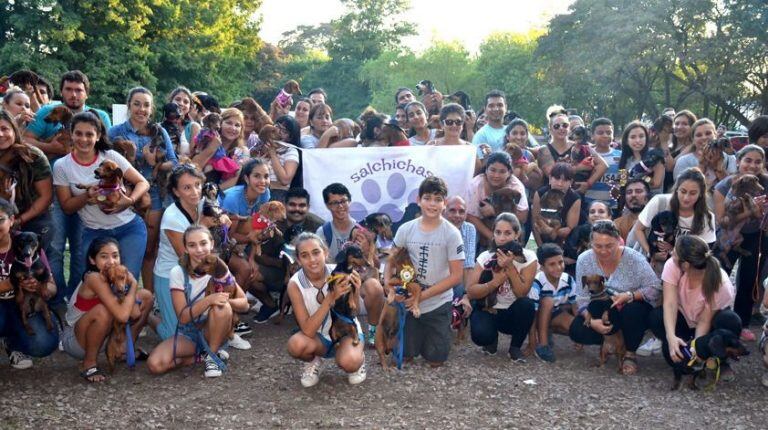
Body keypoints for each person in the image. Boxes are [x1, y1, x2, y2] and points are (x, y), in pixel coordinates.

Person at [25, 71, 112, 306]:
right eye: (69, 89)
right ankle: (55, 300)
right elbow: (25, 140)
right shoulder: (47, 113)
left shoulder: (99, 115)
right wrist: (50, 147)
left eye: (79, 90)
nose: (74, 94)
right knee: (54, 246)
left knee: (81, 246)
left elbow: (106, 151)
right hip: (54, 187)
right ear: (61, 91)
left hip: (89, 190)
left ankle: (77, 296)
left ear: (87, 92)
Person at [53, 111, 149, 287]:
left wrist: (130, 200)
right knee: (96, 286)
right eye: (79, 133)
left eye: (89, 134)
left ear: (97, 136)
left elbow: (143, 182)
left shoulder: (110, 156)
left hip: (129, 228)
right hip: (94, 231)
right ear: (71, 134)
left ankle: (126, 315)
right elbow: (67, 207)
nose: (84, 139)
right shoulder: (62, 166)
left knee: (126, 283)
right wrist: (87, 195)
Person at [147, 226, 249, 378]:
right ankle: (201, 356)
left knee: (221, 307)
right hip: (189, 333)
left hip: (214, 329)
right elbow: (183, 317)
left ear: (212, 244)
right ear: (186, 248)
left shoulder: (220, 268)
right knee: (155, 365)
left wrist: (223, 301)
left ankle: (213, 356)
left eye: (203, 243)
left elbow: (244, 304)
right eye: (192, 245)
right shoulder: (178, 272)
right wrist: (209, 300)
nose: (199, 249)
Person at [384, 176, 464, 367]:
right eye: (427, 198)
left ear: (444, 204)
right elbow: (391, 260)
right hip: (409, 301)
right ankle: (409, 334)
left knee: (436, 359)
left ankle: (443, 328)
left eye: (438, 199)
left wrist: (422, 296)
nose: (432, 204)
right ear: (418, 200)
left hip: (438, 303)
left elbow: (456, 276)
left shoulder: (452, 234)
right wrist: (388, 284)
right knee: (404, 356)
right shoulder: (405, 229)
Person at [109, 87, 178, 293]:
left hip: (154, 193)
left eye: (146, 105)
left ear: (152, 108)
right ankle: (119, 292)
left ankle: (148, 296)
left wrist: (155, 162)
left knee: (149, 249)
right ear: (129, 105)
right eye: (137, 104)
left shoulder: (159, 131)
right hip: (124, 192)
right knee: (122, 247)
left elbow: (174, 162)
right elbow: (105, 162)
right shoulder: (116, 132)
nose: (141, 109)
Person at [569, 221, 661, 375]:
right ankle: (613, 341)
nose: (604, 251)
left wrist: (630, 295)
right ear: (590, 243)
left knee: (633, 311)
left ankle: (630, 352)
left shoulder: (634, 258)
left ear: (619, 241)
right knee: (577, 331)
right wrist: (591, 321)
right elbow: (582, 297)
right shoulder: (584, 259)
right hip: (603, 309)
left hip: (630, 307)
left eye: (609, 245)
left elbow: (655, 288)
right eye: (598, 246)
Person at [648, 235, 741, 382]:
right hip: (684, 318)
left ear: (685, 264)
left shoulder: (721, 282)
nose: (672, 254)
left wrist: (697, 348)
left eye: (675, 252)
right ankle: (684, 348)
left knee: (730, 321)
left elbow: (705, 320)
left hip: (709, 325)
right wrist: (671, 337)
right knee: (656, 317)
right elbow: (670, 303)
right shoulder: (672, 266)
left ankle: (721, 361)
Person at [62, 237, 153, 382]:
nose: (111, 261)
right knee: (103, 311)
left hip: (102, 336)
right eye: (104, 256)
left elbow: (134, 313)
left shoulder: (114, 276)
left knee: (146, 296)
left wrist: (129, 292)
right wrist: (134, 284)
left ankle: (122, 349)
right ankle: (89, 364)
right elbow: (123, 316)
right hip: (76, 340)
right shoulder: (94, 278)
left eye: (115, 256)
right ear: (92, 260)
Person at [286, 232, 366, 387]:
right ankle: (314, 360)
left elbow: (354, 312)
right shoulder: (295, 284)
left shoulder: (340, 273)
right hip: (318, 337)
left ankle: (356, 358)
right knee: (295, 345)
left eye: (316, 252)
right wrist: (330, 298)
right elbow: (308, 331)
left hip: (346, 330)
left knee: (350, 362)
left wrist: (356, 291)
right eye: (305, 255)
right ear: (298, 260)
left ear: (326, 252)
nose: (312, 260)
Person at [713, 145, 768, 341]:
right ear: (738, 161)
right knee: (719, 277)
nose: (752, 165)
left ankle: (742, 323)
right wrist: (750, 212)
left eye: (757, 161)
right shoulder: (724, 186)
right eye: (748, 160)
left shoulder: (765, 183)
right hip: (727, 237)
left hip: (755, 236)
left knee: (748, 279)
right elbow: (722, 220)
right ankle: (714, 319)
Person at [466, 213, 537, 362]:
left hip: (512, 312)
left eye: (508, 233)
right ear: (493, 234)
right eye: (498, 233)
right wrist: (494, 282)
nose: (502, 238)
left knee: (527, 305)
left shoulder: (528, 258)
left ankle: (515, 347)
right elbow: (470, 291)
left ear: (517, 234)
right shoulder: (485, 257)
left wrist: (510, 267)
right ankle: (491, 340)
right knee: (481, 336)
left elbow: (521, 293)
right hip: (489, 309)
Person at [0, 199, 59, 370]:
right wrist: (13, 284)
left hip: (26, 304)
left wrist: (40, 287)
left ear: (12, 220)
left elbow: (52, 287)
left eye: (0, 219)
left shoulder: (28, 242)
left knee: (43, 344)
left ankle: (12, 342)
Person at [221, 159, 273, 323]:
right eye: (257, 176)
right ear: (246, 178)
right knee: (244, 269)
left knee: (254, 269)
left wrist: (252, 256)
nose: (263, 181)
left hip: (244, 242)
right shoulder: (232, 198)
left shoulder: (264, 194)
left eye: (266, 176)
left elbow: (258, 228)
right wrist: (247, 250)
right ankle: (229, 317)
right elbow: (228, 236)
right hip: (219, 240)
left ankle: (269, 304)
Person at [632, 168, 716, 267]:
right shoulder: (660, 202)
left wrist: (673, 251)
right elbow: (638, 229)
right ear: (676, 189)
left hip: (682, 268)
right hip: (649, 265)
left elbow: (703, 251)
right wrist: (651, 253)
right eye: (683, 191)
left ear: (701, 194)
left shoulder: (706, 217)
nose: (686, 198)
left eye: (693, 193)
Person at [0, 111, 54, 256]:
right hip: (2, 219)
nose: (0, 134)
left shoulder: (33, 155)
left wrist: (18, 221)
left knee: (38, 262)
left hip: (33, 217)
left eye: (4, 129)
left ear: (14, 129)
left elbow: (46, 197)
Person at [466, 152, 529, 248]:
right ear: (486, 170)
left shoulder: (515, 186)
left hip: (510, 227)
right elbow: (470, 216)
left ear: (509, 173)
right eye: (492, 170)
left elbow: (523, 216)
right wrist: (492, 237)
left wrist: (495, 211)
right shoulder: (476, 184)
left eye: (502, 171)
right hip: (483, 227)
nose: (496, 175)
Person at [527, 243, 576, 363]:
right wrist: (531, 341)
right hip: (537, 315)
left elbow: (575, 305)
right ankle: (542, 344)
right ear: (542, 267)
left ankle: (548, 331)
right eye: (552, 264)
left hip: (555, 313)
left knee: (576, 328)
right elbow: (532, 315)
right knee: (548, 300)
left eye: (560, 262)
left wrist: (578, 337)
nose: (558, 267)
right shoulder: (537, 282)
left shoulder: (568, 280)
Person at [537, 112, 608, 195]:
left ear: (569, 128)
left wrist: (588, 184)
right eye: (556, 126)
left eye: (565, 125)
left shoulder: (581, 146)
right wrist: (580, 167)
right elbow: (555, 175)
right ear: (550, 129)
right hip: (553, 197)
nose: (561, 128)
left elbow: (603, 165)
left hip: (577, 196)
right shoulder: (544, 150)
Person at [193, 108, 249, 189]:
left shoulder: (241, 151)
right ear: (219, 124)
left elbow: (235, 179)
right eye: (229, 123)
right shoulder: (206, 139)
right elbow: (193, 167)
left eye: (237, 125)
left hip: (220, 195)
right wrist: (212, 147)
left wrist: (212, 193)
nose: (233, 128)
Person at [531, 162, 582, 246]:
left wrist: (550, 231)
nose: (560, 184)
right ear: (550, 178)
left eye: (565, 180)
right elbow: (535, 221)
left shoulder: (575, 198)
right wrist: (540, 246)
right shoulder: (540, 193)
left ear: (571, 182)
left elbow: (570, 228)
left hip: (565, 241)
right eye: (557, 178)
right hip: (543, 236)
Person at [673, 118, 736, 184]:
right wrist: (702, 164)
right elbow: (681, 187)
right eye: (699, 135)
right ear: (693, 140)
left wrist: (717, 167)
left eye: (708, 133)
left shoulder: (730, 158)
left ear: (715, 135)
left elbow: (732, 188)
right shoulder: (684, 161)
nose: (704, 137)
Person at [563, 200, 612, 273]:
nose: (596, 214)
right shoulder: (578, 232)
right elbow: (569, 259)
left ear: (609, 217)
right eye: (592, 212)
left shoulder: (615, 235)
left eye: (601, 212)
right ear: (588, 217)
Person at [618, 121, 665, 194]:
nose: (638, 140)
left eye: (641, 136)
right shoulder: (625, 160)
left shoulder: (655, 155)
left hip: (652, 201)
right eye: (633, 137)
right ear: (627, 141)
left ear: (646, 138)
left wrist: (642, 177)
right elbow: (622, 183)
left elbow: (656, 184)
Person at [584, 118, 621, 210]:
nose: (605, 135)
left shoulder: (621, 155)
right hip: (589, 205)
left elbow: (624, 177)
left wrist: (618, 187)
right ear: (592, 136)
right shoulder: (587, 155)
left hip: (613, 206)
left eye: (609, 133)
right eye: (600, 133)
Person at [444, 196, 477, 297]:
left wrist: (465, 296)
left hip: (457, 280)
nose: (457, 215)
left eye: (461, 212)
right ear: (443, 212)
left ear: (466, 215)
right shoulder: (434, 227)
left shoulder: (469, 229)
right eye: (452, 211)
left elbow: (468, 266)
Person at [316, 183, 357, 261]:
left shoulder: (362, 230)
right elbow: (320, 262)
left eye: (343, 201)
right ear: (327, 206)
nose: (340, 206)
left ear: (350, 201)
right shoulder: (323, 232)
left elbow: (376, 262)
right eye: (335, 203)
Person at [264, 116, 300, 202]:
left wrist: (273, 153)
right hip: (258, 191)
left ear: (290, 137)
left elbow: (285, 179)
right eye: (277, 126)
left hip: (277, 195)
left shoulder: (291, 151)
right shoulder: (264, 145)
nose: (278, 132)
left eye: (284, 131)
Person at [471, 90, 508, 159]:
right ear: (485, 109)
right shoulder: (481, 135)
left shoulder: (514, 131)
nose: (496, 109)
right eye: (491, 106)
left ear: (506, 107)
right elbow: (478, 165)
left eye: (500, 105)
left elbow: (533, 148)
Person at [168, 86, 201, 155]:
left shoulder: (194, 127)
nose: (181, 103)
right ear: (170, 102)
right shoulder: (159, 127)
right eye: (177, 99)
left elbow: (194, 155)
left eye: (186, 102)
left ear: (189, 107)